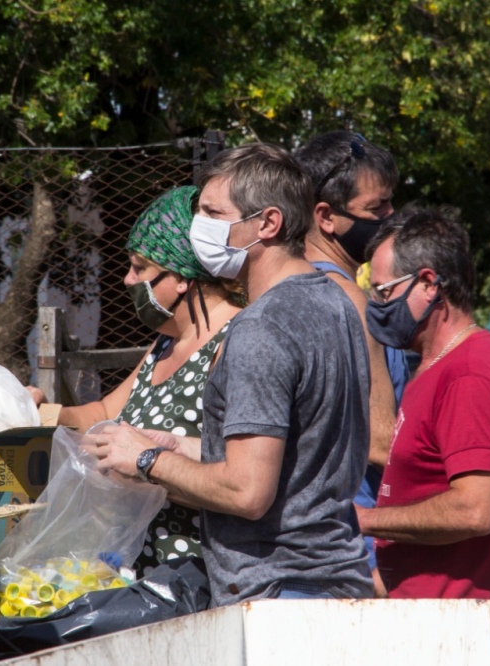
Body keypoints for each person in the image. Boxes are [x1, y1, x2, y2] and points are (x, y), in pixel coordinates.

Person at [90, 143, 373, 606]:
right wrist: (179, 447)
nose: (197, 228)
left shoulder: (261, 327)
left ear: (267, 223)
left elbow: (247, 492)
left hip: (276, 594)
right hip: (336, 580)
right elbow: (295, 459)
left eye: (211, 213)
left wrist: (146, 462)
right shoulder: (337, 303)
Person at [27, 185, 242, 575]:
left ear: (180, 276)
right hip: (136, 561)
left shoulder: (235, 342)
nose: (127, 280)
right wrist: (37, 413)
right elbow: (107, 412)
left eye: (140, 268)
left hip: (194, 571)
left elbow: (241, 471)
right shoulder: (165, 343)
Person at [357, 205, 490, 599]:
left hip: (463, 628)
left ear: (429, 283)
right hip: (432, 617)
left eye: (384, 291)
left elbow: (473, 511)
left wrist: (363, 520)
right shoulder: (435, 369)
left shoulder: (469, 374)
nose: (376, 305)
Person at [294, 130, 410, 597]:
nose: (390, 218)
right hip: (359, 539)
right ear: (326, 216)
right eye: (376, 208)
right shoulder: (352, 308)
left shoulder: (284, 292)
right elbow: (380, 441)